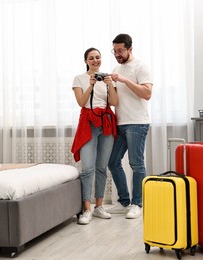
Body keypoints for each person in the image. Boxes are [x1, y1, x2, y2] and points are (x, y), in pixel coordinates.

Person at [107, 34, 153, 219]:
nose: (117, 54)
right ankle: (125, 202)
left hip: (137, 122)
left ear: (130, 49)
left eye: (120, 51)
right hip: (120, 123)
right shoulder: (116, 68)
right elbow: (115, 99)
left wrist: (125, 80)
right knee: (113, 161)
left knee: (136, 164)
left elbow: (147, 93)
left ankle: (137, 204)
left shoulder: (141, 67)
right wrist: (109, 85)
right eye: (115, 51)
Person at [71, 47, 118, 225]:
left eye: (98, 57)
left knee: (101, 167)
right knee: (88, 168)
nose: (95, 60)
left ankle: (99, 206)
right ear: (86, 61)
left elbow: (114, 102)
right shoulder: (79, 79)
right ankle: (86, 209)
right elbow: (81, 102)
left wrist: (109, 85)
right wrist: (91, 84)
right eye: (91, 58)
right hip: (88, 124)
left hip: (105, 121)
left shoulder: (107, 78)